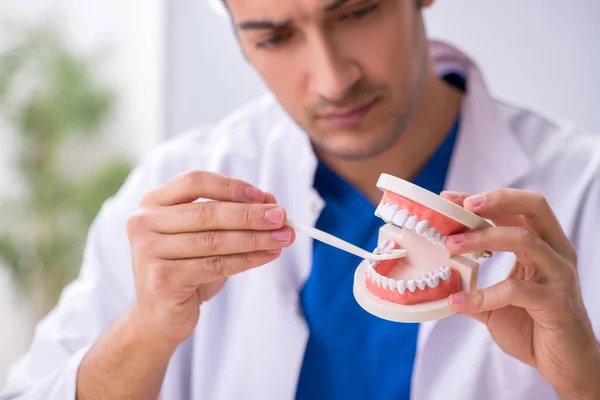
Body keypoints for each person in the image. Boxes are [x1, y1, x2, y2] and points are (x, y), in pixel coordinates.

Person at [2, 0, 600, 399]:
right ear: (239, 37)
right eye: (275, 37)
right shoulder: (171, 198)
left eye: (357, 10)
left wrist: (583, 381)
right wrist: (146, 330)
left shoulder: (584, 191)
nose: (333, 79)